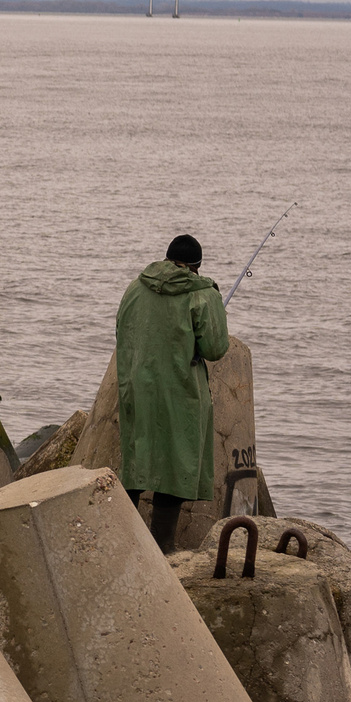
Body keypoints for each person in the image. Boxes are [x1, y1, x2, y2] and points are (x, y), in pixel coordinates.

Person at [116, 233, 230, 552]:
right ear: (196, 267)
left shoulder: (135, 289)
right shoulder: (202, 294)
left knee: (136, 464)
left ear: (166, 259)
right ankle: (161, 546)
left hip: (136, 389)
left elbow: (123, 332)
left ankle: (124, 541)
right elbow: (216, 347)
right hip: (180, 392)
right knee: (176, 465)